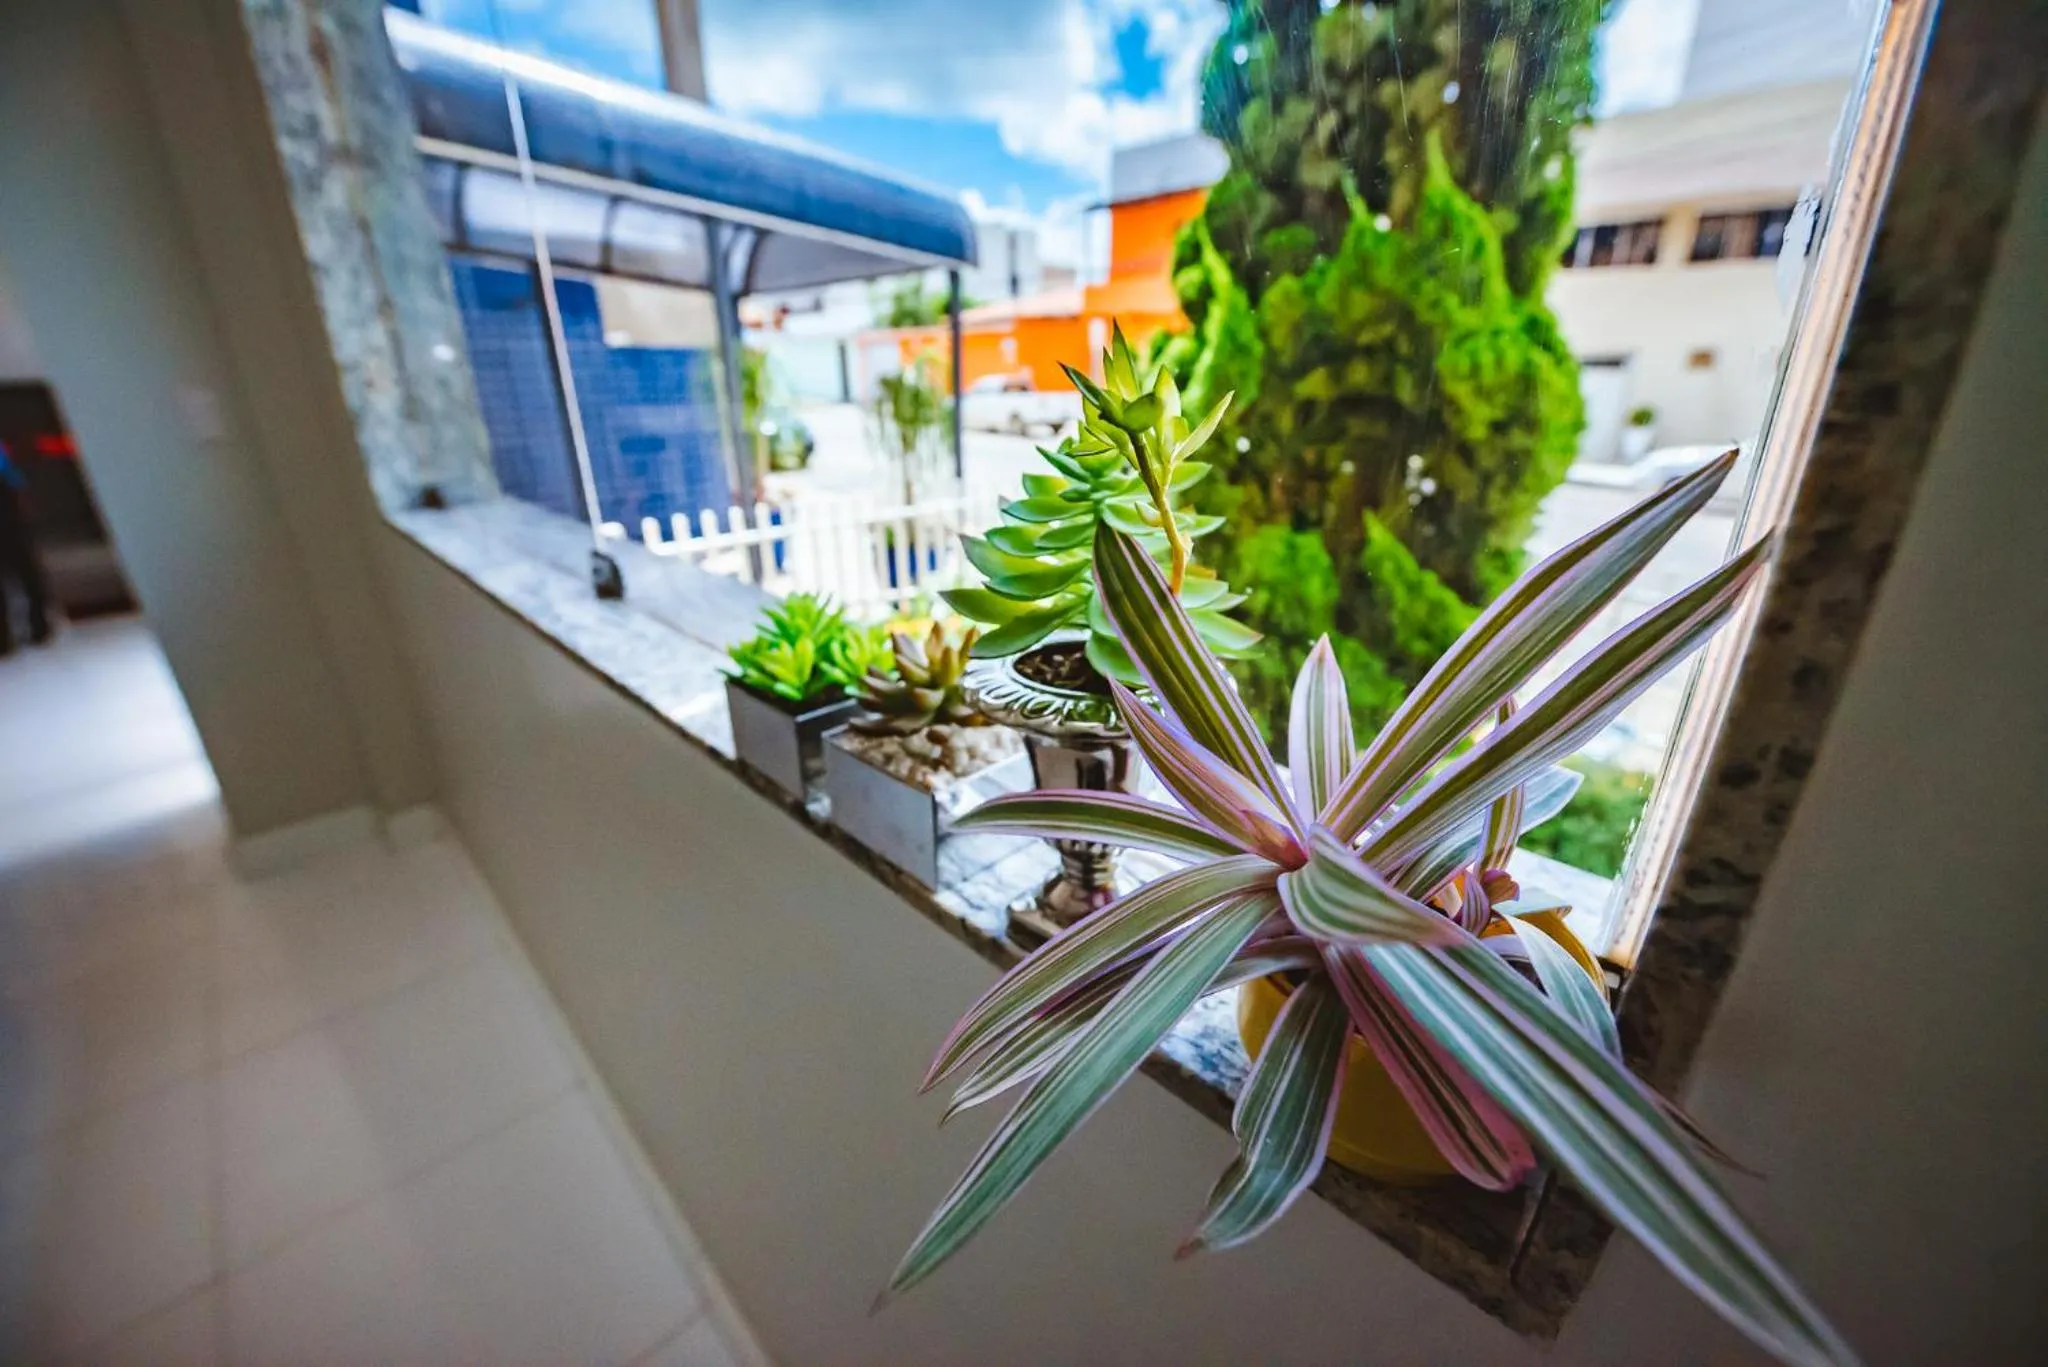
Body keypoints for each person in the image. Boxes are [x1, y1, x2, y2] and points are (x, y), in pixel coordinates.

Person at [0, 436, 54, 654]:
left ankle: (5, 639)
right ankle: (38, 626)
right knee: (27, 574)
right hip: (11, 524)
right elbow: (15, 483)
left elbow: (15, 482)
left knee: (21, 576)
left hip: (10, 523)